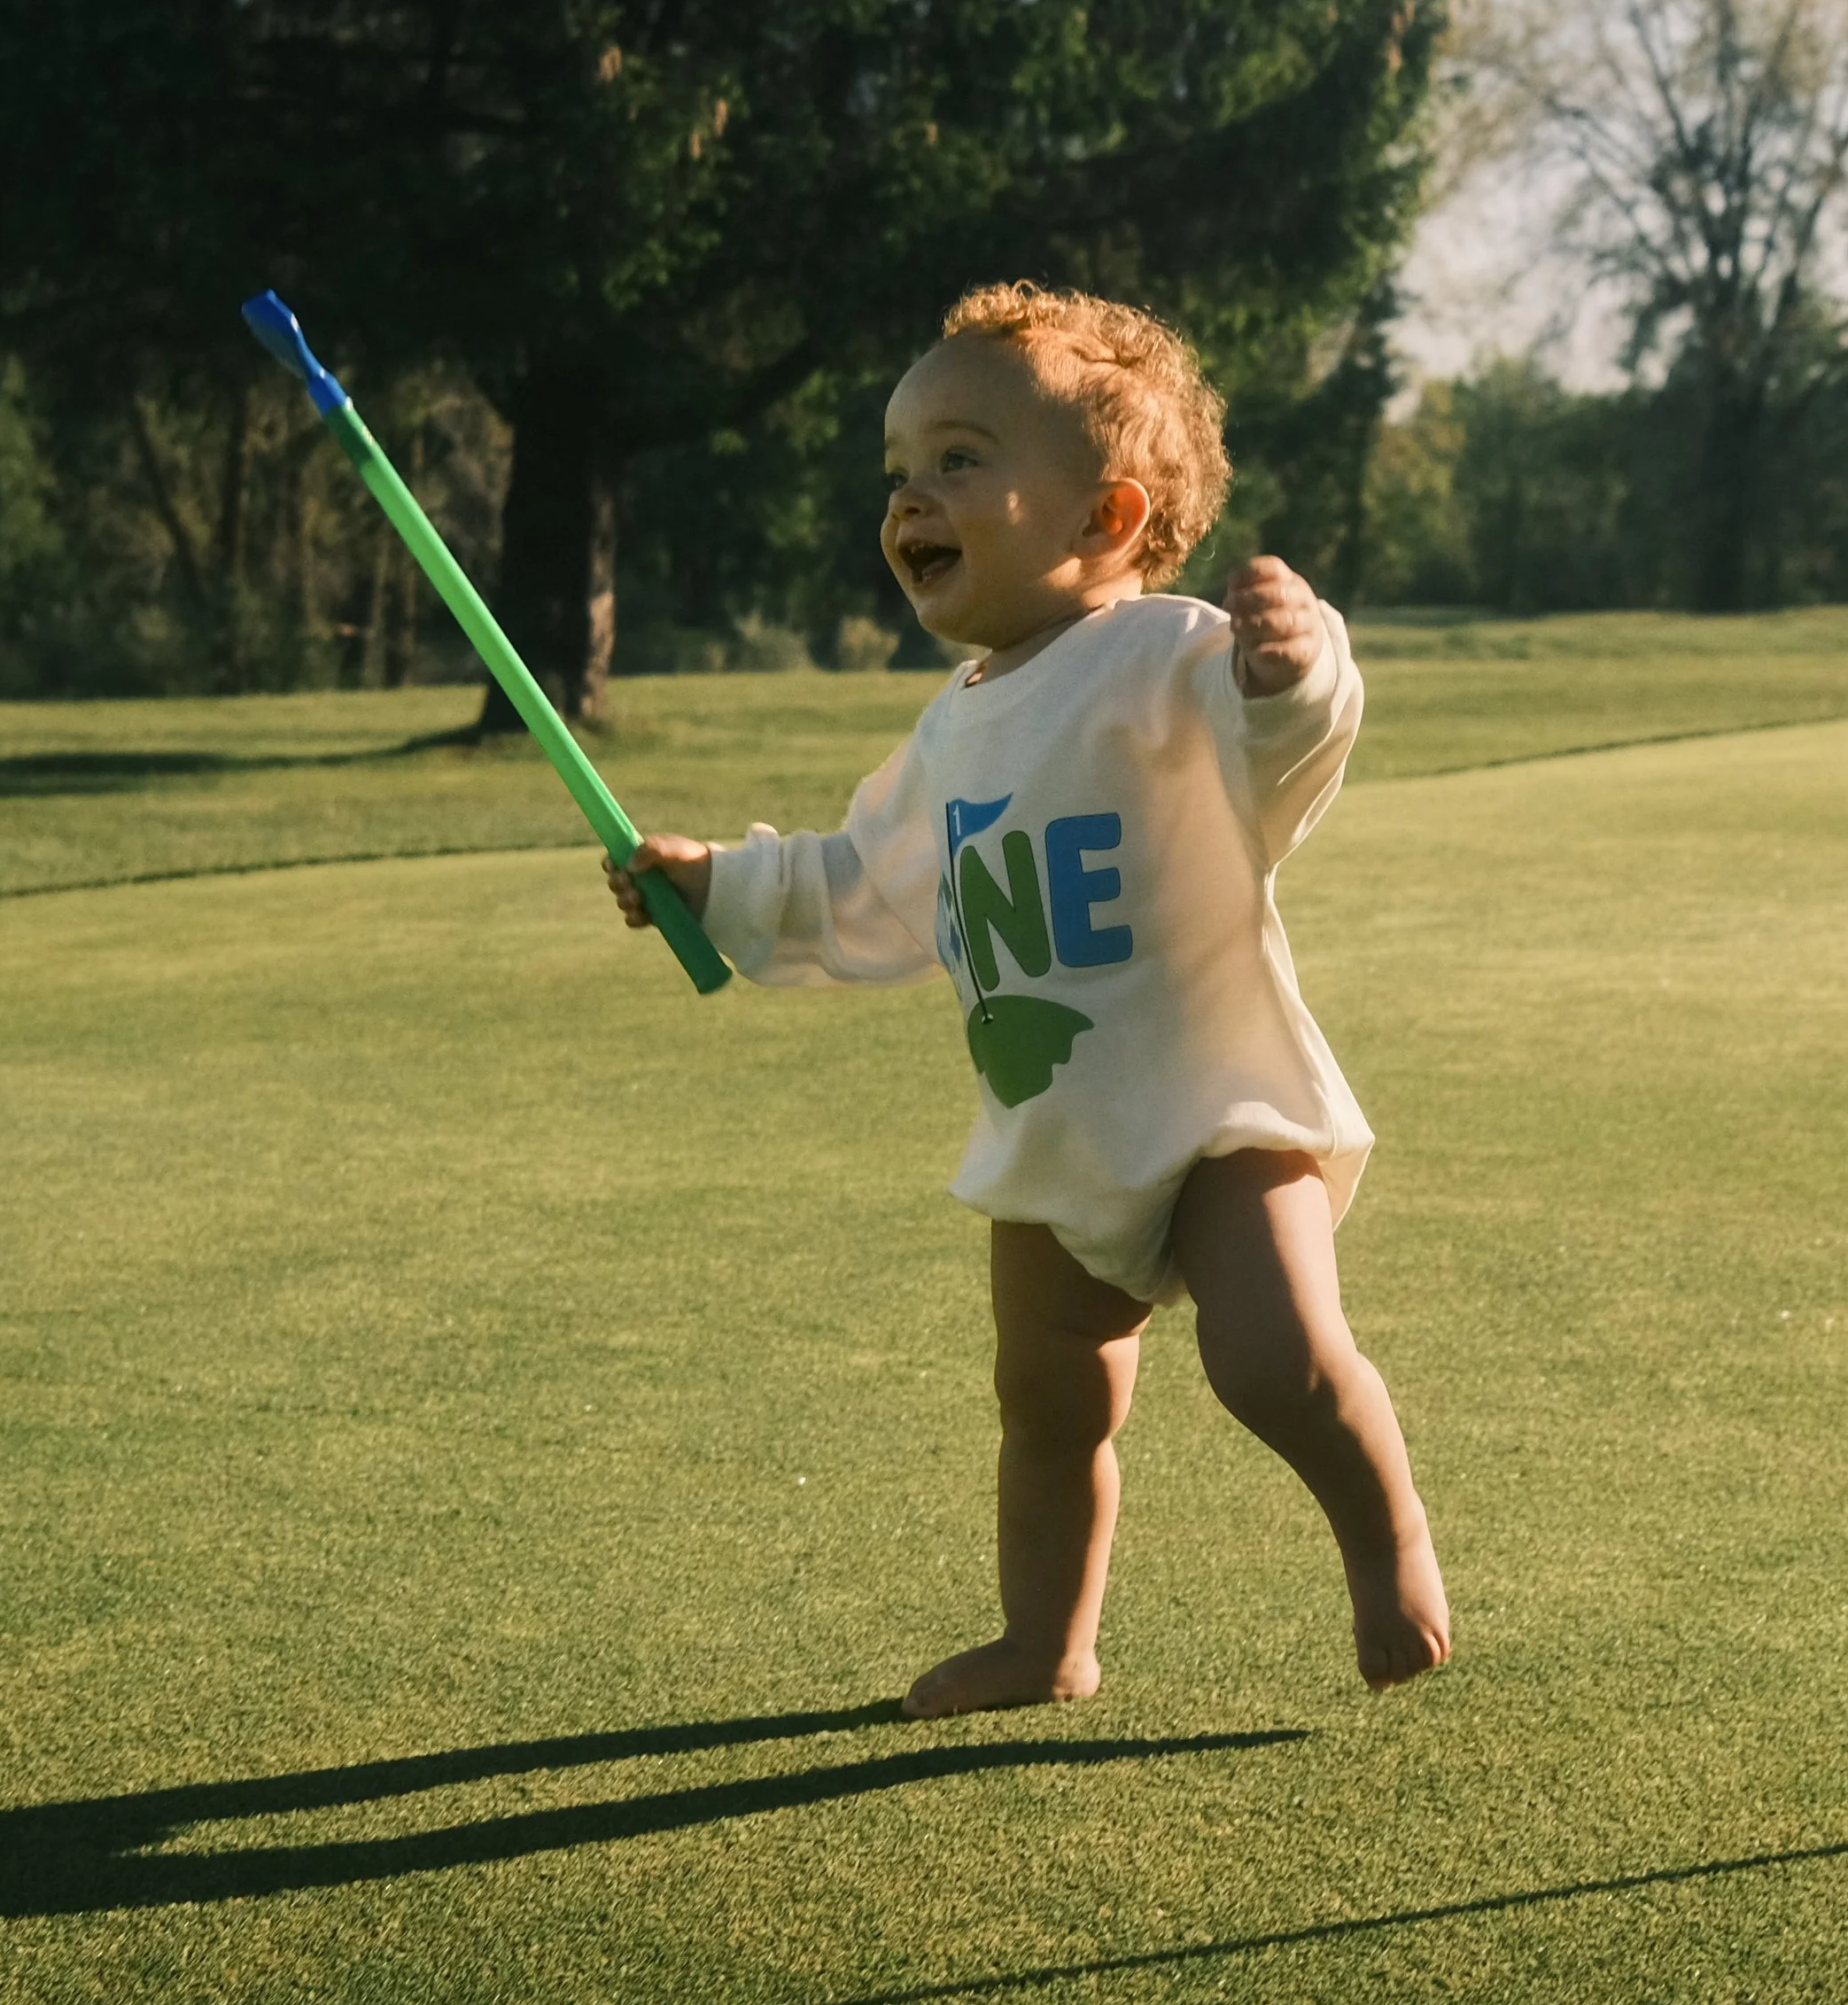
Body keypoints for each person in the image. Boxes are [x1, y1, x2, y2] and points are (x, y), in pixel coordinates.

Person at [608, 283, 1450, 1719]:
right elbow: (856, 884)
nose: (909, 500)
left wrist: (1296, 671)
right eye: (899, 469)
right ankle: (1047, 1643)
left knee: (1277, 1361)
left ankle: (1392, 1549)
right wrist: (718, 887)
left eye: (958, 461)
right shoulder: (956, 728)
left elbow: (1282, 754)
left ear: (1105, 523)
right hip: (1053, 1130)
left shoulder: (1162, 656)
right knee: (1051, 1402)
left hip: (1212, 1106)